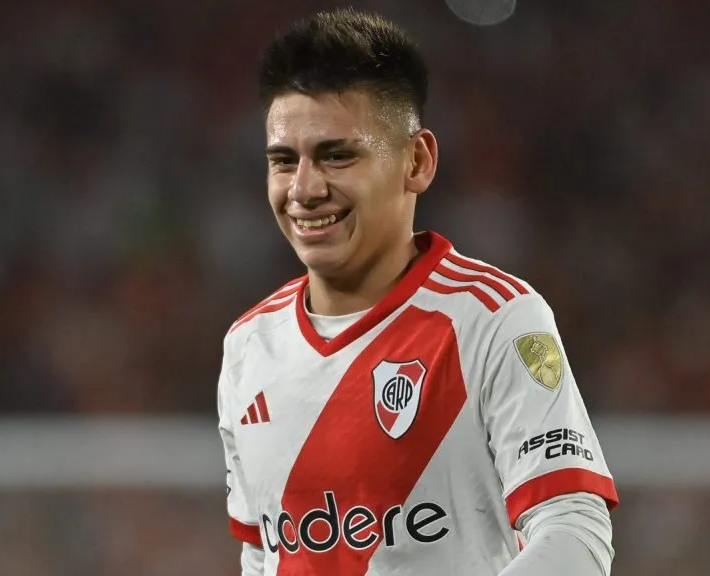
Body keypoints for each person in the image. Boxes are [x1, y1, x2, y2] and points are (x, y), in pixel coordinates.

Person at [216, 8, 618, 575]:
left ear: (417, 160)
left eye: (337, 155)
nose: (304, 188)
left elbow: (574, 529)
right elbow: (262, 553)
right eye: (284, 161)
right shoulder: (249, 345)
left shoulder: (495, 319)